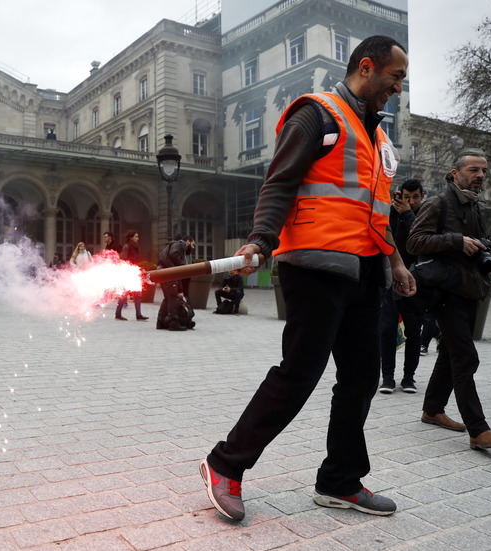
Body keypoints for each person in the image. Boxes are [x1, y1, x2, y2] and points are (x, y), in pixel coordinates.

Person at [199, 35, 415, 521]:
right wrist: (260, 240)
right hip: (314, 268)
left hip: (364, 273)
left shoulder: (379, 139)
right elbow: (280, 182)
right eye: (396, 77)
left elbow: (375, 213)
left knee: (360, 379)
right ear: (367, 66)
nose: (398, 88)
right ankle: (224, 465)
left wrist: (396, 263)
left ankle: (340, 480)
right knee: (299, 374)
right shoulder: (317, 115)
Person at [407, 148, 491, 450]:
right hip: (444, 291)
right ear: (456, 174)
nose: (480, 176)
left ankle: (432, 409)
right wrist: (456, 240)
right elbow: (415, 242)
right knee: (466, 357)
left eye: (483, 171)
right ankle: (478, 431)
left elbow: (475, 244)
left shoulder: (477, 207)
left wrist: (482, 247)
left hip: (469, 289)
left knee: (450, 353)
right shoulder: (438, 203)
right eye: (473, 170)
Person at [379, 179, 425, 394]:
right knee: (387, 329)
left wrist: (408, 214)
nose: (411, 201)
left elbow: (422, 240)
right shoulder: (389, 213)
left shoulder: (423, 215)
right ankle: (387, 377)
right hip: (389, 281)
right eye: (406, 196)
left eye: (415, 196)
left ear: (422, 196)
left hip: (415, 282)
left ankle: (409, 378)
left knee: (414, 331)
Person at [156, 234, 195, 330]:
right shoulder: (180, 244)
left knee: (168, 297)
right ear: (188, 242)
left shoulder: (176, 245)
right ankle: (173, 322)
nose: (193, 247)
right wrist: (183, 267)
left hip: (164, 271)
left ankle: (160, 322)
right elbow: (173, 254)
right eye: (193, 244)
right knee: (173, 297)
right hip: (168, 272)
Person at [114, 230, 148, 321]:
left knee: (138, 294)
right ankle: (118, 314)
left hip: (134, 272)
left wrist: (139, 268)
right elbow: (123, 259)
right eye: (136, 236)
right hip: (127, 272)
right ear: (131, 237)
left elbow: (137, 260)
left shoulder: (136, 247)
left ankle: (139, 314)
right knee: (123, 294)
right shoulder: (127, 246)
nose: (138, 238)